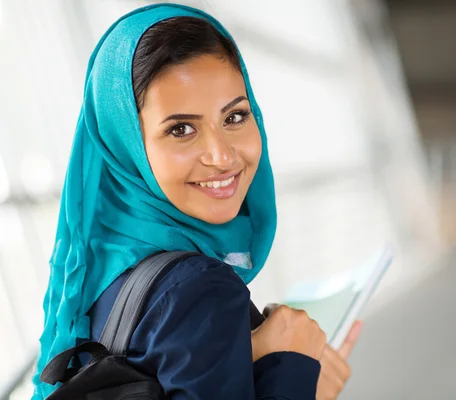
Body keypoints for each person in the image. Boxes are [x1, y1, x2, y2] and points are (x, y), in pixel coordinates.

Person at [32, 4, 362, 400]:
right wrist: (295, 372)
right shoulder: (199, 290)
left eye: (235, 117)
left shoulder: (94, 267)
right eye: (181, 129)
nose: (222, 156)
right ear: (128, 145)